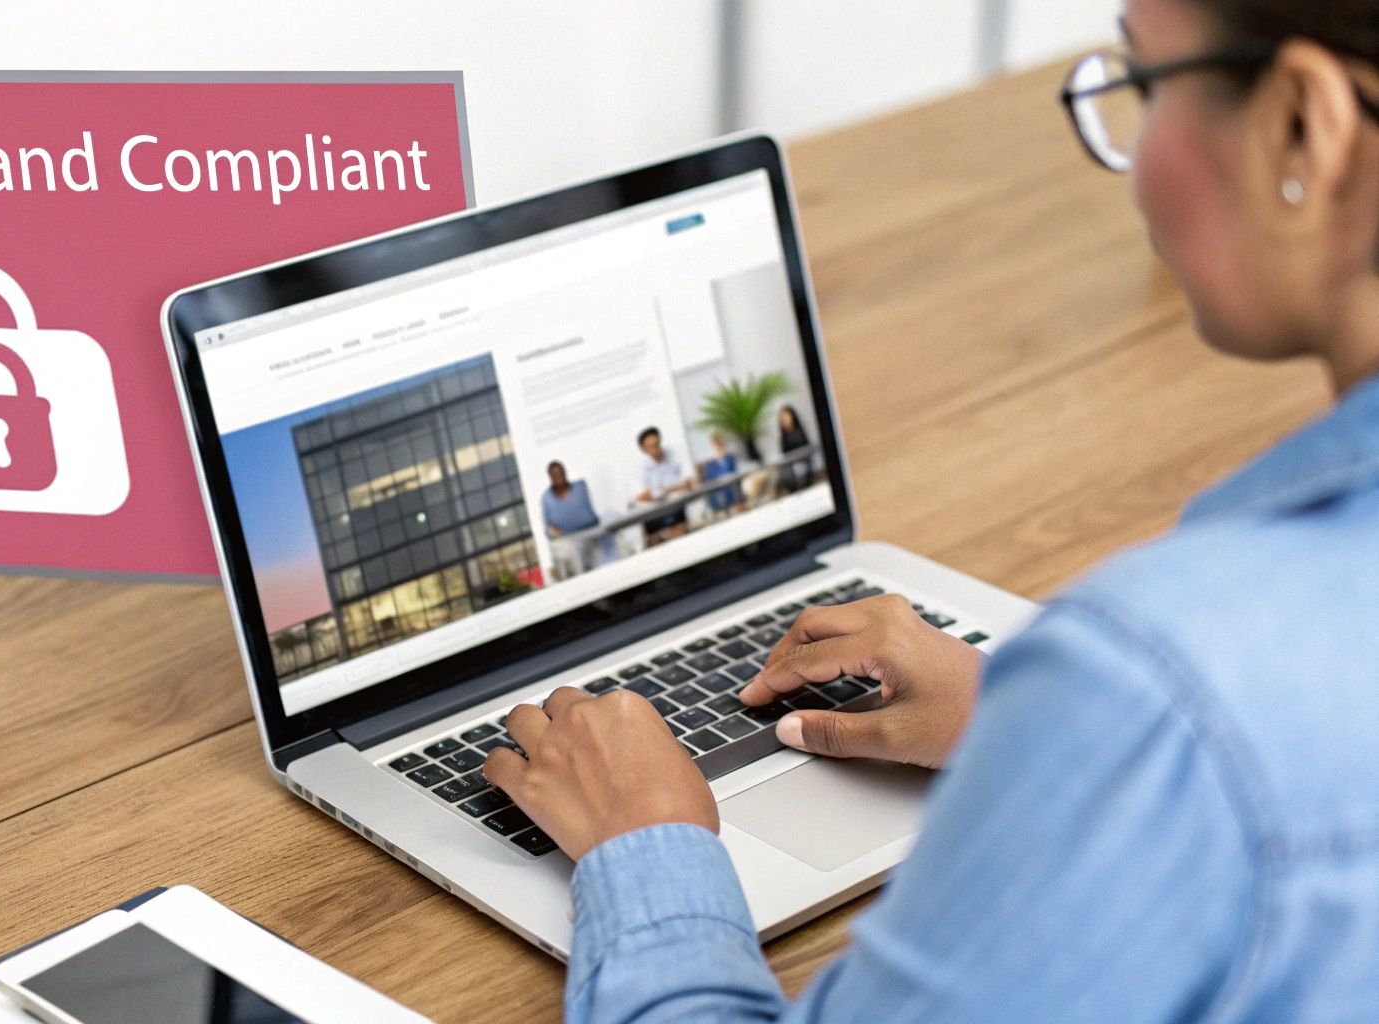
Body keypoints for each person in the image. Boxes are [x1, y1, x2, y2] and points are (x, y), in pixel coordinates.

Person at [482, 1, 1379, 1019]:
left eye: (1144, 83)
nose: (1129, 158)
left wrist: (640, 842)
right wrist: (1036, 728)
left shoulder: (1163, 684)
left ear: (1305, 121)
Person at [540, 461, 605, 577]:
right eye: (555, 475)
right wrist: (552, 530)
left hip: (591, 533)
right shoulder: (547, 498)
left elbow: (587, 514)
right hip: (568, 540)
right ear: (550, 477)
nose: (559, 477)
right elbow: (547, 528)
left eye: (560, 473)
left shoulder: (580, 487)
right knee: (572, 552)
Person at [633, 427, 695, 545]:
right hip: (655, 514)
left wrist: (660, 491)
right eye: (651, 446)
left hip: (676, 509)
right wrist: (672, 488)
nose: (656, 449)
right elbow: (642, 496)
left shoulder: (674, 453)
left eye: (657, 444)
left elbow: (689, 481)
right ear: (644, 449)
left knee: (682, 537)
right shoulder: (639, 466)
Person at [775, 404, 814, 493]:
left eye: (786, 416)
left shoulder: (799, 432)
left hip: (802, 462)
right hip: (790, 466)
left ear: (792, 416)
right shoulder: (783, 437)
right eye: (782, 418)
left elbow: (805, 451)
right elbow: (784, 454)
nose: (784, 420)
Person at [701, 433, 742, 513]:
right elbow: (710, 485)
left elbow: (736, 475)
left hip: (734, 492)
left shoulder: (731, 458)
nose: (719, 448)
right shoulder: (709, 466)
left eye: (721, 445)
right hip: (720, 495)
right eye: (716, 446)